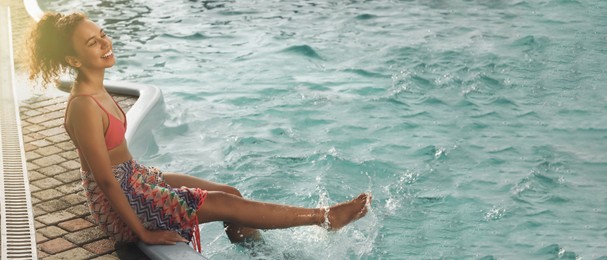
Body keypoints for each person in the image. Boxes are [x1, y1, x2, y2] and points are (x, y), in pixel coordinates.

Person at [27, 11, 370, 252]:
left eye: (101, 34)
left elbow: (117, 170)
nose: (104, 43)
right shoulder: (84, 105)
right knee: (221, 203)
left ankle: (259, 255)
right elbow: (103, 181)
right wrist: (143, 232)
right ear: (73, 60)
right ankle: (325, 217)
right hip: (119, 203)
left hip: (132, 178)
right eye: (92, 43)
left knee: (228, 192)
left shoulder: (96, 90)